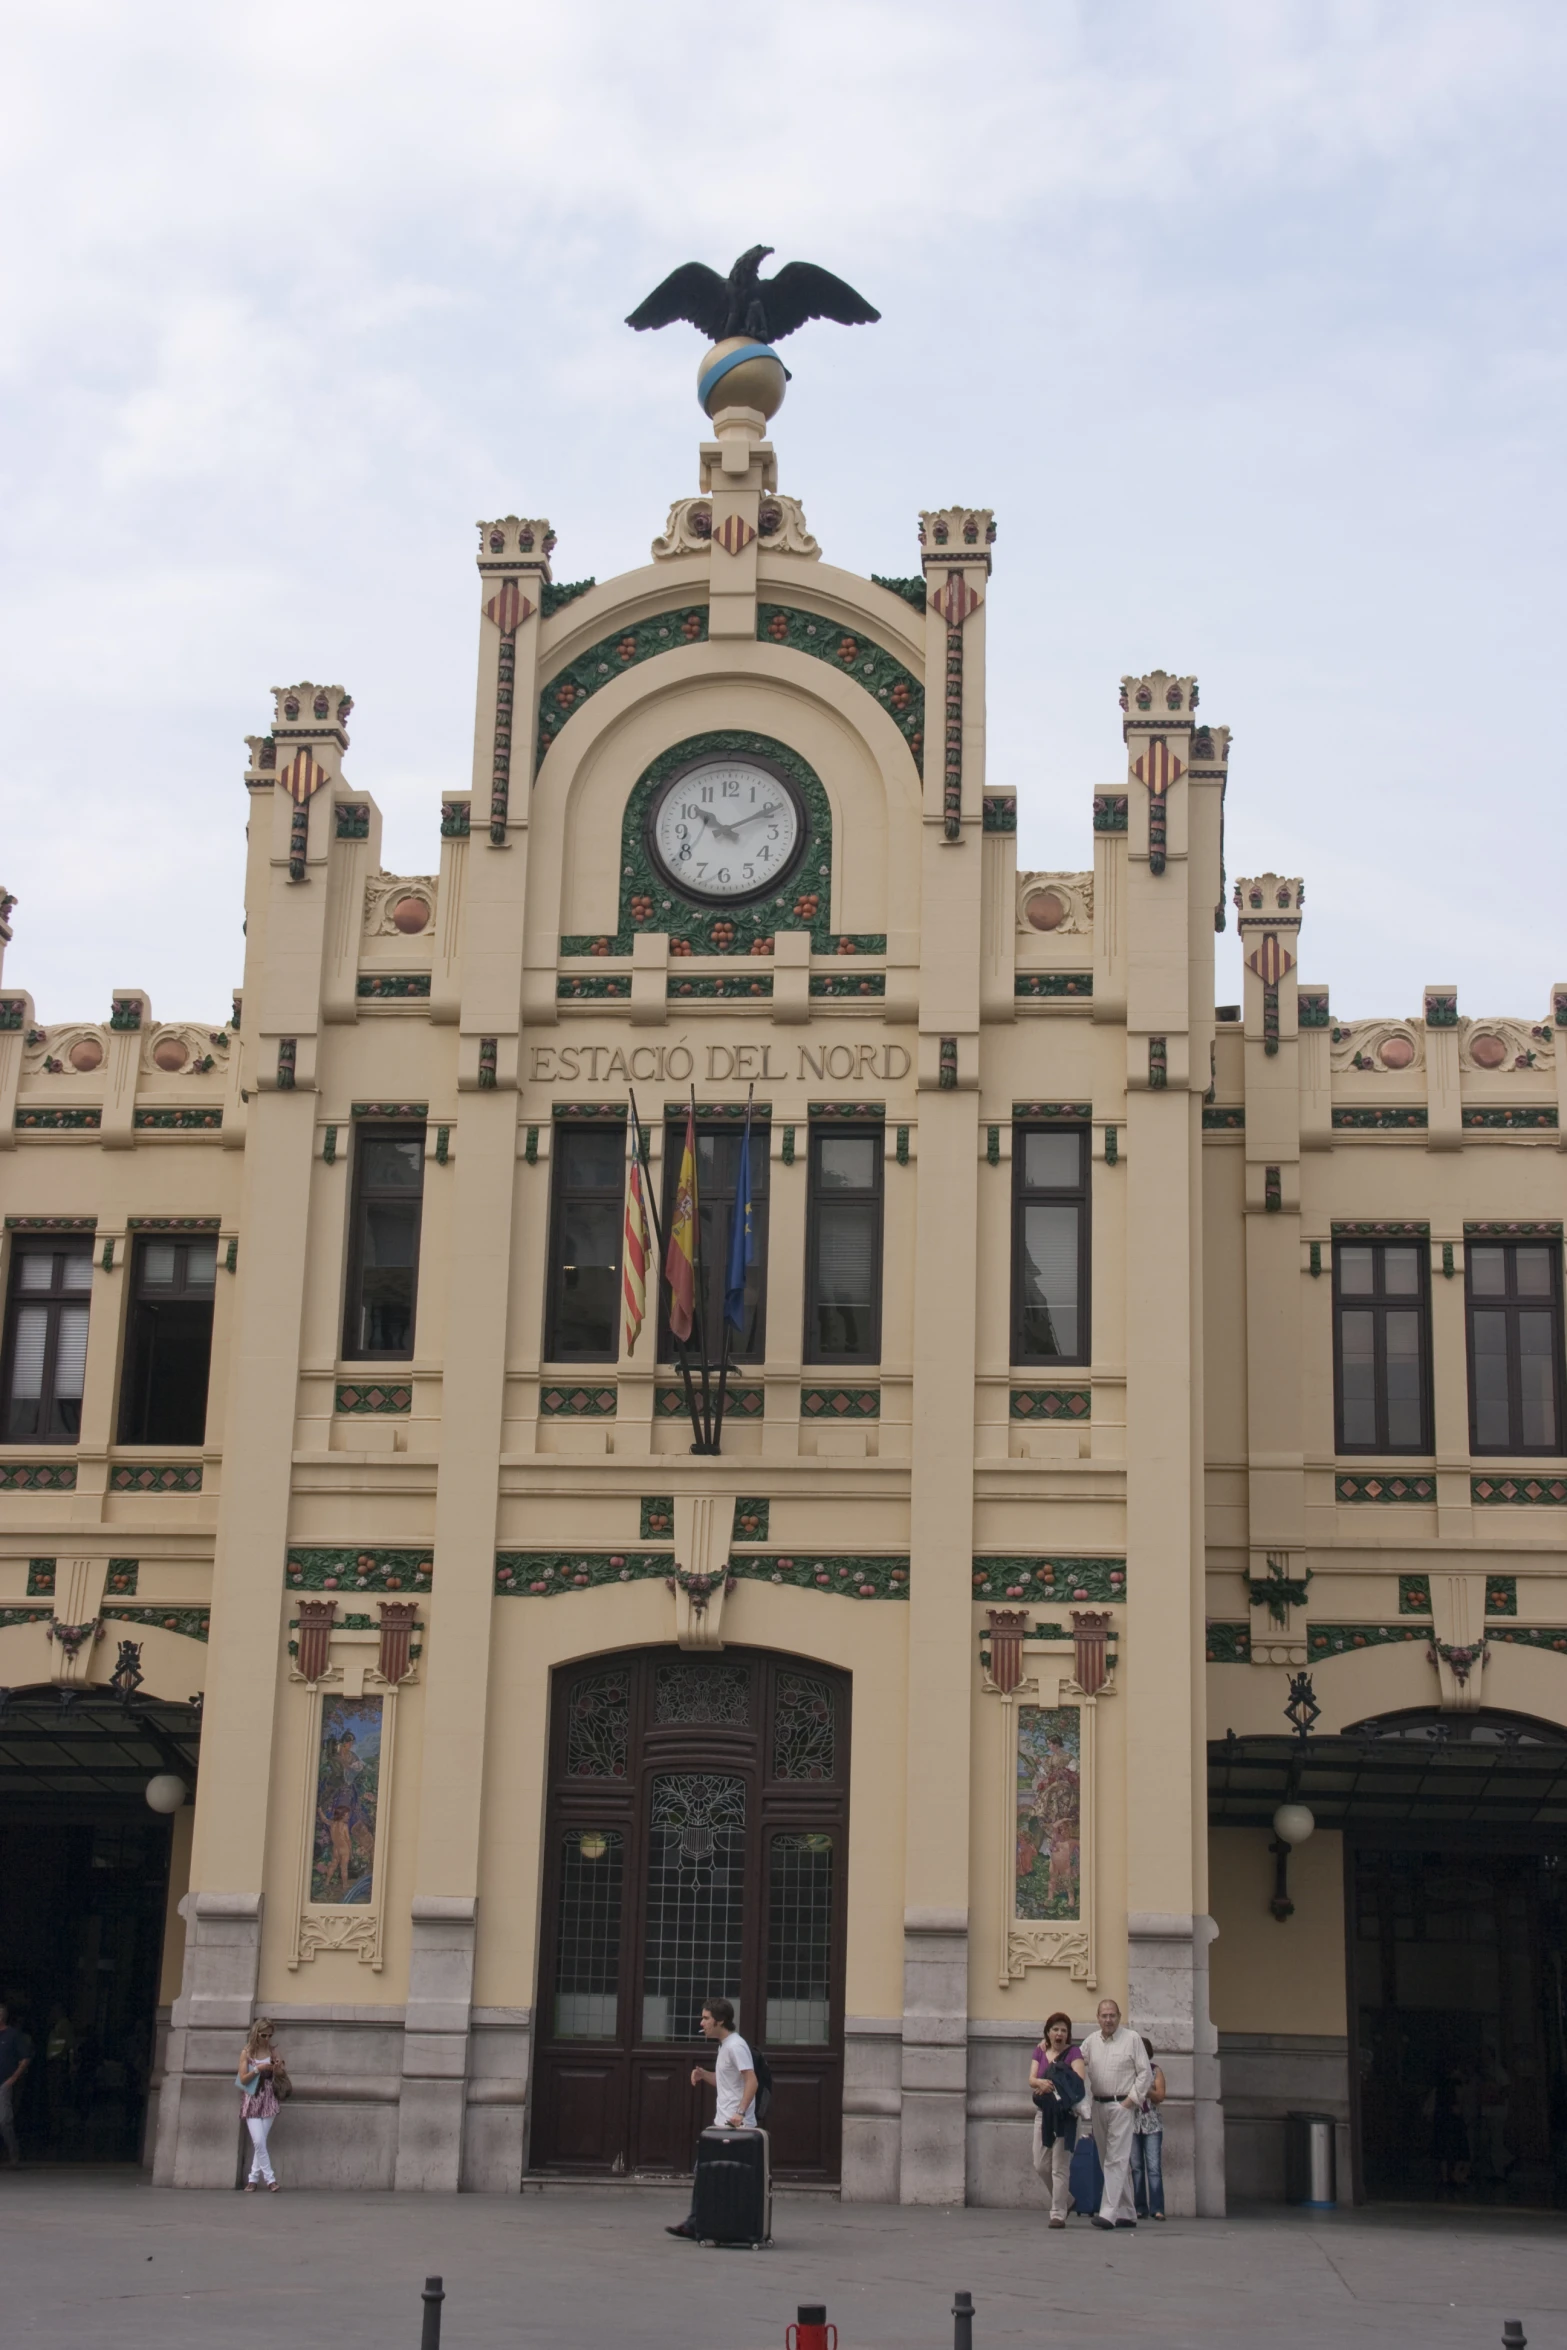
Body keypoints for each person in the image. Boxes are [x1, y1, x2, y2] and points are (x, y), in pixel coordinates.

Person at [664, 1998, 758, 2240]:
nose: (701, 2022)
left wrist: (740, 2113)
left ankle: (700, 2224)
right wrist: (704, 2074)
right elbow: (726, 2082)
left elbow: (752, 2081)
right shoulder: (724, 2045)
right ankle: (702, 2223)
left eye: (706, 2018)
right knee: (707, 2174)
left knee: (709, 2174)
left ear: (720, 2020)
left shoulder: (735, 2046)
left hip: (734, 2128)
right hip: (723, 2125)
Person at [1080, 1997, 1152, 2229]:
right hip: (1098, 2105)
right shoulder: (1091, 2041)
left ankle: (1108, 2213)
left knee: (1116, 2159)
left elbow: (1145, 2073)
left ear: (1119, 2017)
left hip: (1122, 2105)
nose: (1108, 2019)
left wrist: (1131, 2101)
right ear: (1098, 2017)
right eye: (1104, 2015)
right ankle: (1128, 2212)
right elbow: (1076, 2062)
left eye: (1112, 2015)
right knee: (1106, 2160)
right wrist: (1049, 2048)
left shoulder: (1132, 2039)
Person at [1029, 2011, 1086, 2226]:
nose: (1059, 2033)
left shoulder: (1074, 2053)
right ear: (1048, 2032)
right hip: (1044, 2114)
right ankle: (1068, 2200)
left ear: (1068, 2034)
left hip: (1066, 2116)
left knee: (1059, 2166)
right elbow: (1031, 2079)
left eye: (1063, 2030)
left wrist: (1059, 2079)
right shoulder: (1040, 2051)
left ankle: (1057, 2213)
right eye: (1055, 2029)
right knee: (1040, 2164)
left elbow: (1079, 2081)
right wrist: (1040, 2083)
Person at [237, 2017, 288, 2192]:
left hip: (269, 2099)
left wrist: (277, 2067)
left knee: (261, 2141)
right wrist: (259, 2068)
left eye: (269, 2035)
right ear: (256, 2034)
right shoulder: (247, 2052)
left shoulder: (273, 2051)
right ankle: (270, 2179)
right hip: (252, 2099)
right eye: (263, 2035)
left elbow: (281, 2073)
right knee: (258, 2140)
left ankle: (253, 2180)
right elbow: (243, 2079)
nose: (266, 2039)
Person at [1129, 2037, 1166, 2220]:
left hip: (1152, 2124)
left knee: (1153, 2167)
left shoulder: (1155, 2071)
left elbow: (1160, 2095)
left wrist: (1144, 2087)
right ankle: (1140, 2207)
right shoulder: (1127, 2072)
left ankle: (1157, 2208)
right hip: (1132, 2124)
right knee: (1136, 2167)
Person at [0, 2003, 32, 2167]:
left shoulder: (13, 2035)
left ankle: (14, 2155)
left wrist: (13, 2078)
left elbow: (25, 2058)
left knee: (4, 2120)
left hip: (4, 2083)